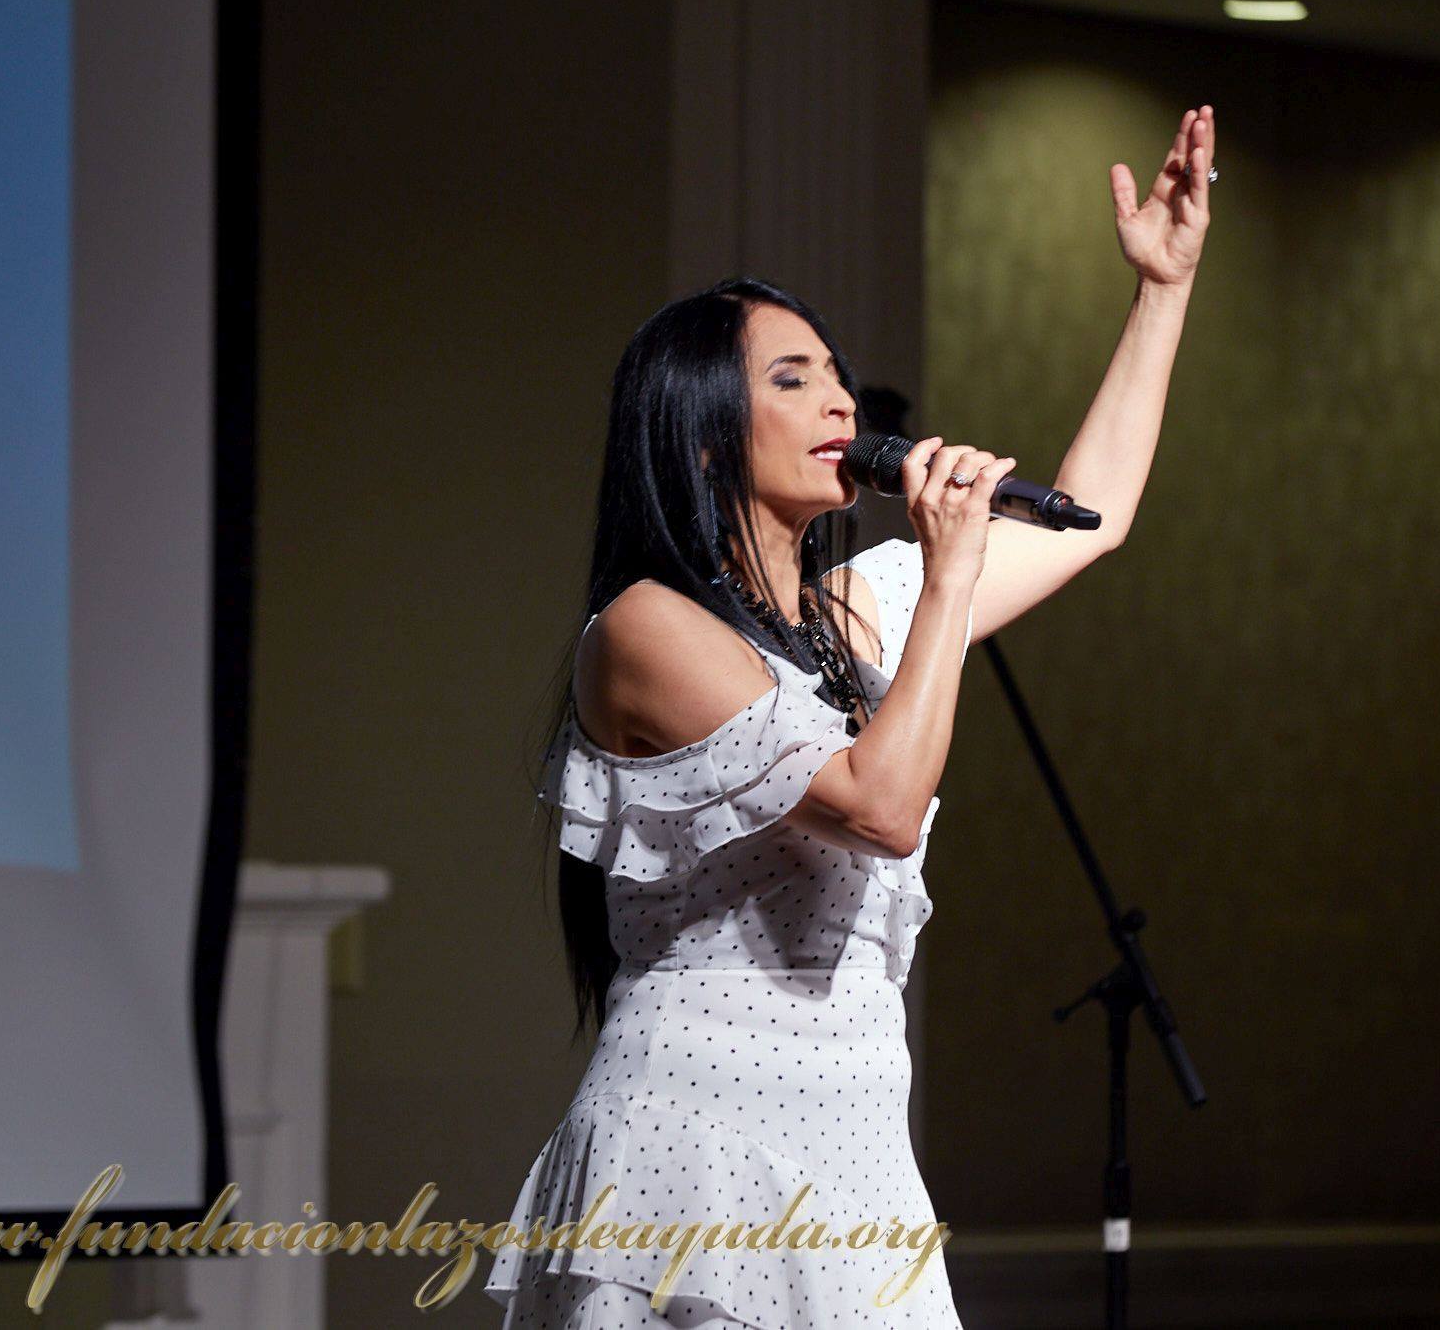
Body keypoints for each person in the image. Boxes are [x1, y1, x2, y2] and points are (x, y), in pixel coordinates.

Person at [487, 105, 1216, 1329]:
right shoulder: (646, 628)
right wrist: (949, 577)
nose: (839, 400)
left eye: (835, 372)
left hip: (854, 1148)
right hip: (696, 1148)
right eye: (792, 378)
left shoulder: (852, 613)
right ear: (702, 435)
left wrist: (1162, 289)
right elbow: (879, 807)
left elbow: (1094, 514)